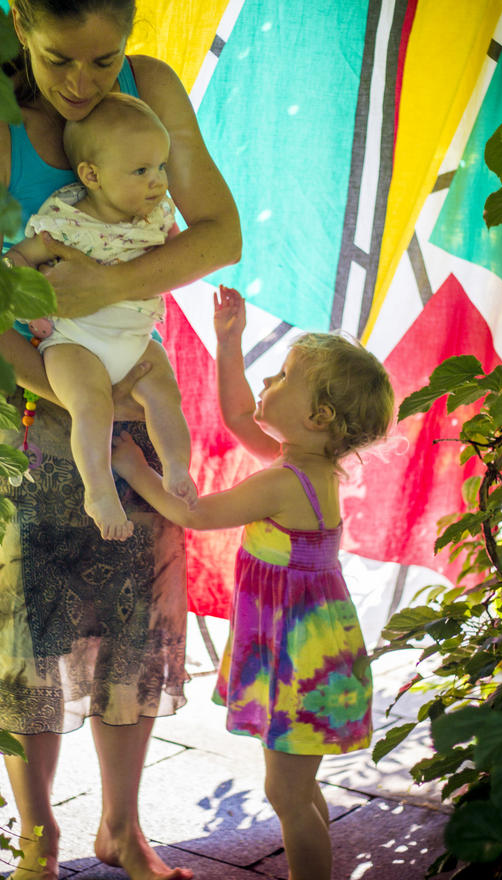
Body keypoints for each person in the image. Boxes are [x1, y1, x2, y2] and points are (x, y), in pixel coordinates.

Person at [0, 0, 241, 880]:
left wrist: (99, 289)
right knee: (23, 637)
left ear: (131, 42)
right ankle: (38, 832)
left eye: (103, 58)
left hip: (126, 384)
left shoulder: (149, 90)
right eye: (58, 57)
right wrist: (68, 383)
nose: (82, 82)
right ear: (21, 31)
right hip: (27, 415)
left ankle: (122, 828)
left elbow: (219, 233)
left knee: (134, 626)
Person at [111, 285, 395, 880]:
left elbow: (195, 514)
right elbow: (241, 415)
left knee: (287, 796)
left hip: (301, 659)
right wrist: (229, 341)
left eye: (285, 376)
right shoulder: (307, 464)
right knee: (297, 791)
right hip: (309, 649)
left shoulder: (284, 483)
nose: (270, 382)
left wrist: (136, 468)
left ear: (318, 417)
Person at [5, 93, 197, 540]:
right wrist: (26, 298)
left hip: (135, 334)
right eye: (142, 171)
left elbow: (180, 259)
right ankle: (100, 490)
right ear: (92, 175)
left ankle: (176, 466)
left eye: (162, 167)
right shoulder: (65, 218)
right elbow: (18, 258)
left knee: (165, 394)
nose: (158, 182)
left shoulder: (159, 215)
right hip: (74, 339)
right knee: (92, 405)